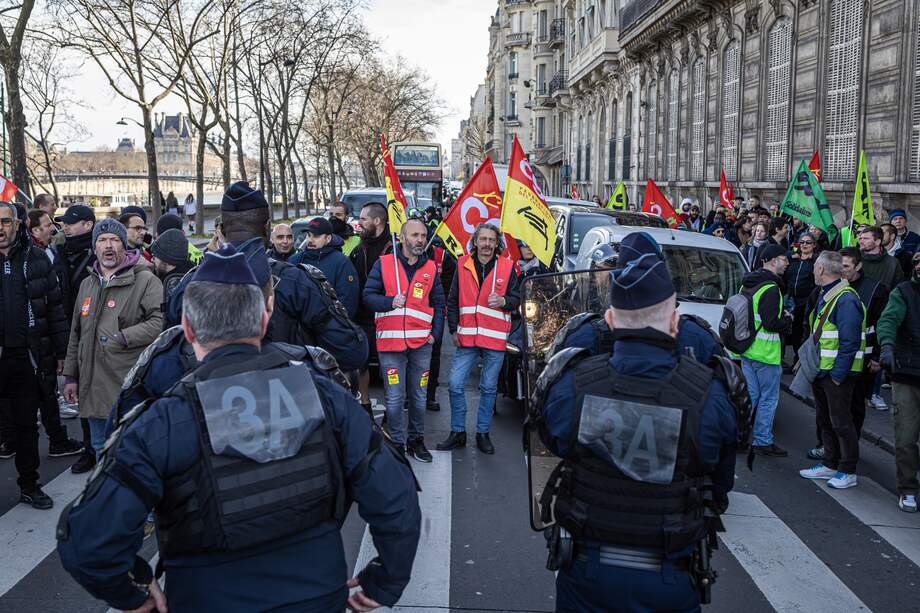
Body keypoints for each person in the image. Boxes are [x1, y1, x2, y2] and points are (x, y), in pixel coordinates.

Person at [57, 245, 421, 612]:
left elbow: (88, 539)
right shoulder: (326, 396)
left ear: (187, 327)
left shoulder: (164, 421)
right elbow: (397, 494)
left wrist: (133, 590)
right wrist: (385, 580)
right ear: (265, 318)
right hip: (316, 596)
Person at [533, 247, 738, 613]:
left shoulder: (573, 385)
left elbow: (549, 448)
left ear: (610, 321)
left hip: (587, 576)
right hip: (670, 577)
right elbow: (720, 481)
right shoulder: (708, 395)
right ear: (674, 323)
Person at [166, 181, 368, 374]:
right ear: (267, 228)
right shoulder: (294, 281)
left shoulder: (189, 284)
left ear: (222, 230)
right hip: (285, 396)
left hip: (206, 399)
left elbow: (169, 354)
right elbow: (351, 351)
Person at [62, 219, 164, 457]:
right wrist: (70, 376)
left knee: (130, 452)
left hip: (126, 387)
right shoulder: (87, 284)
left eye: (114, 240)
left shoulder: (146, 280)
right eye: (102, 240)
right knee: (100, 448)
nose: (108, 246)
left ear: (123, 246)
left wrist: (122, 338)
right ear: (94, 247)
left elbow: (159, 323)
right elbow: (75, 333)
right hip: (93, 388)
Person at [0, 202, 73, 509]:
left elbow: (55, 309)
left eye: (5, 222)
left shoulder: (37, 258)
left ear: (17, 224)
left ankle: (29, 484)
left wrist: (60, 353)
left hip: (28, 358)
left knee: (27, 426)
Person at [363, 218, 445, 460]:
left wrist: (435, 336)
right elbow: (367, 296)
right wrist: (389, 302)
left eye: (422, 235)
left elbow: (439, 303)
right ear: (402, 238)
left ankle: (416, 441)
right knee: (395, 398)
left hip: (421, 345)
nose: (419, 239)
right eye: (414, 235)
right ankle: (396, 442)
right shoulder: (384, 264)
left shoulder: (431, 268)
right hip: (390, 345)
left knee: (419, 397)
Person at [439, 222, 519, 454]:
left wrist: (504, 302)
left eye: (491, 240)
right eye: (482, 239)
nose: (486, 244)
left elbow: (516, 298)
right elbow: (452, 299)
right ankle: (458, 432)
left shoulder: (507, 266)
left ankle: (482, 433)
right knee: (454, 384)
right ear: (475, 242)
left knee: (488, 388)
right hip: (467, 338)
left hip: (494, 339)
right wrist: (453, 329)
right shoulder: (463, 264)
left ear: (497, 243)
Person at [799, 251, 866, 489]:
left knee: (841, 423)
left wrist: (838, 375)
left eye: (815, 266)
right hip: (824, 371)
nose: (813, 270)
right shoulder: (828, 294)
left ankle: (847, 470)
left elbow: (850, 342)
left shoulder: (846, 299)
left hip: (836, 374)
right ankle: (830, 463)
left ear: (821, 270)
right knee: (825, 420)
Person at [54, 203, 99, 474]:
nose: (66, 226)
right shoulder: (57, 252)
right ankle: (89, 448)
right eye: (64, 222)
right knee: (81, 391)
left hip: (96, 330)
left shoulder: (99, 254)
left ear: (88, 224)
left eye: (72, 222)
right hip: (69, 331)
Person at [740, 244, 793, 456]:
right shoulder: (771, 288)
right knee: (768, 399)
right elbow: (771, 323)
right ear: (771, 260)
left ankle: (739, 436)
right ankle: (762, 440)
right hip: (766, 353)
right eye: (784, 258)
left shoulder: (749, 283)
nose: (787, 262)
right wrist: (787, 319)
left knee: (750, 396)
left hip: (747, 349)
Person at [878, 251, 920, 512]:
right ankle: (908, 488)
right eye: (918, 262)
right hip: (907, 374)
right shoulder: (904, 291)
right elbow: (889, 319)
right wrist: (887, 346)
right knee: (906, 438)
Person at [351, 201, 393, 413]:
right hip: (362, 318)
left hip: (388, 317)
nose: (358, 223)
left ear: (377, 221)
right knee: (362, 362)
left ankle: (392, 406)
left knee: (389, 366)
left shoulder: (394, 249)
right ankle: (365, 403)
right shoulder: (359, 249)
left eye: (363, 218)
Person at [840, 247, 889, 420]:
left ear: (858, 266)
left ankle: (850, 445)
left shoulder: (876, 290)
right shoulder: (832, 285)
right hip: (833, 357)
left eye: (845, 266)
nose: (841, 270)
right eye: (839, 266)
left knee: (855, 407)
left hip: (862, 361)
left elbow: (882, 325)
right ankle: (825, 445)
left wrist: (877, 356)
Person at [290, 217, 360, 318]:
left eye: (316, 236)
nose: (310, 240)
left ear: (328, 238)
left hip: (331, 328)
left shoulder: (342, 262)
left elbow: (347, 301)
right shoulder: (295, 260)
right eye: (308, 235)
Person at [784, 232, 818, 359]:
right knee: (794, 331)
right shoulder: (793, 259)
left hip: (807, 302)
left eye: (808, 242)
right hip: (791, 301)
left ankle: (799, 359)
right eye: (802, 242)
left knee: (804, 331)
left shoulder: (815, 261)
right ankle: (795, 355)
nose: (804, 245)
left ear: (814, 245)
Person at [150, 228, 194, 309]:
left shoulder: (180, 291)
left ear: (167, 260)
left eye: (155, 256)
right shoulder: (189, 277)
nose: (152, 259)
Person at [860, 225, 904, 291]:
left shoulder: (893, 263)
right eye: (861, 238)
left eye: (866, 238)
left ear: (877, 242)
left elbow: (898, 289)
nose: (861, 242)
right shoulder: (855, 258)